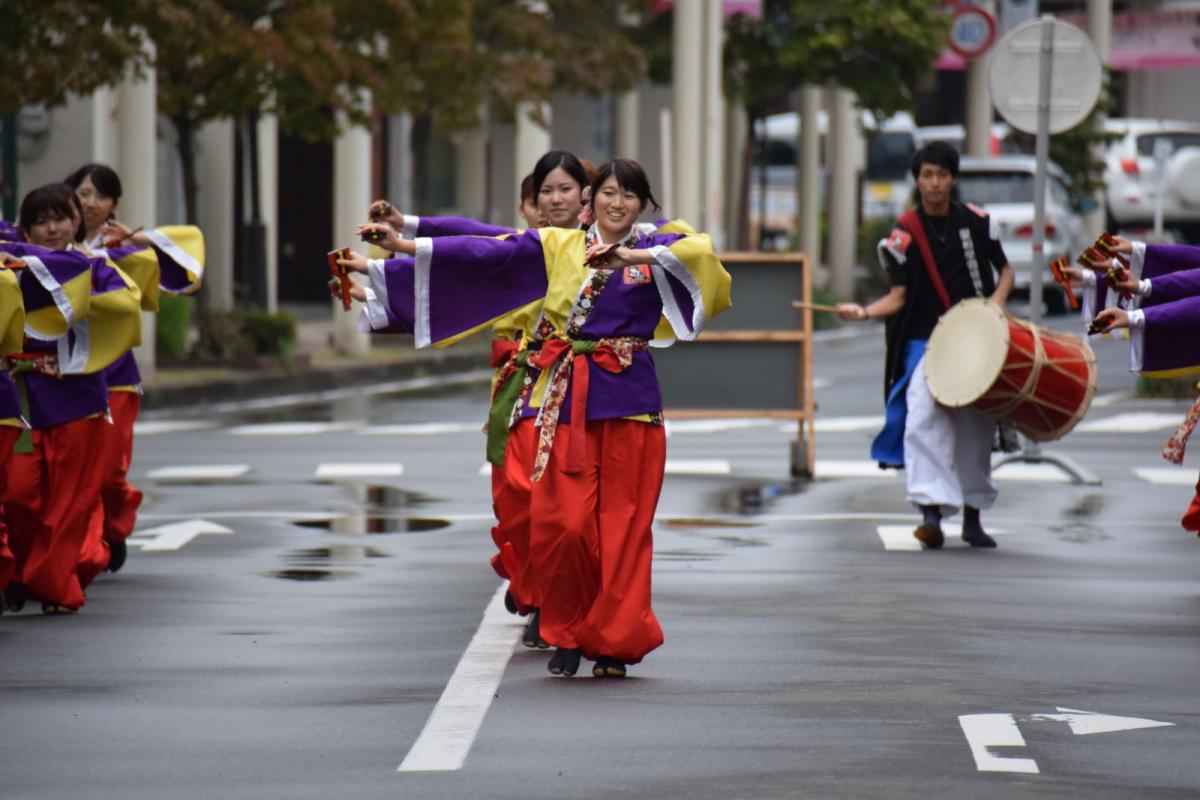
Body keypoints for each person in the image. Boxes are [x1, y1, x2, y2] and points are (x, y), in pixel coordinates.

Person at [340, 159, 732, 677]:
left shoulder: (658, 244)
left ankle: (614, 641)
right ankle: (565, 625)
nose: (619, 204)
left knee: (625, 531)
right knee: (564, 525)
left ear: (643, 204)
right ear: (592, 200)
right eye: (609, 193)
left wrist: (636, 255)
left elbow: (701, 255)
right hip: (564, 401)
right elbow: (482, 249)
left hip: (632, 404)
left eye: (630, 196)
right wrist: (401, 247)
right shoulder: (558, 247)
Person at [836, 142, 1014, 550]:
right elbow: (898, 295)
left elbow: (1005, 272)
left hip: (974, 339)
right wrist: (863, 312)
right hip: (925, 342)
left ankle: (973, 517)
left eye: (941, 175)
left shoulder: (977, 223)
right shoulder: (904, 233)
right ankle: (930, 514)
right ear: (917, 180)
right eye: (926, 175)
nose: (934, 183)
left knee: (976, 424)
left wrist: (994, 308)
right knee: (923, 416)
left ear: (953, 178)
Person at [2, 184, 141, 613]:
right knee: (17, 492)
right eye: (40, 221)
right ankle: (31, 572)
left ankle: (56, 584)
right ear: (25, 227)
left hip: (78, 396)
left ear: (76, 220)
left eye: (60, 218)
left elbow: (122, 308)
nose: (51, 228)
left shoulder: (96, 267)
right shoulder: (11, 265)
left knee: (71, 498)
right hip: (22, 396)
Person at [63, 163, 204, 575]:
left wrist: (140, 239)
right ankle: (79, 551)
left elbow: (187, 268)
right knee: (68, 475)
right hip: (62, 376)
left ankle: (115, 526)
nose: (89, 202)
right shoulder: (47, 249)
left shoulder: (125, 253)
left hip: (115, 377)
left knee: (108, 472)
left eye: (98, 195)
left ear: (113, 205)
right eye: (82, 193)